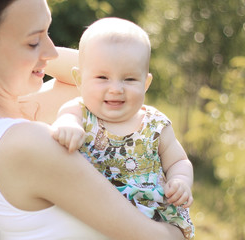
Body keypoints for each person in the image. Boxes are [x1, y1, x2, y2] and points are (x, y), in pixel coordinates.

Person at [0, 0, 185, 239]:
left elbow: (96, 74)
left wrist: (34, 40)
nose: (52, 51)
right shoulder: (27, 144)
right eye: (33, 42)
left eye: (48, 33)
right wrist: (180, 225)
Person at [52, 17, 195, 239]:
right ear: (79, 80)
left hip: (150, 221)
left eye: (129, 79)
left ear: (145, 83)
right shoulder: (79, 113)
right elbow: (65, 120)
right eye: (102, 77)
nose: (116, 89)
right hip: (93, 217)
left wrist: (180, 181)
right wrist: (67, 127)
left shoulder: (156, 124)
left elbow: (178, 161)